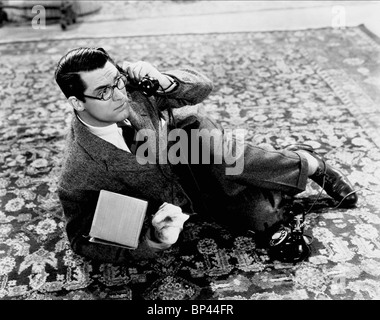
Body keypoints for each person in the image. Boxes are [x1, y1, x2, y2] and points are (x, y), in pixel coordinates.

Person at [54, 47, 358, 263]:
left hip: (184, 140)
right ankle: (269, 184)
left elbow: (203, 87)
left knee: (224, 157)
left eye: (117, 80)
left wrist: (162, 79)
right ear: (76, 102)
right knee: (262, 216)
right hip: (180, 194)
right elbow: (81, 240)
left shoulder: (131, 88)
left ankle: (310, 163)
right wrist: (151, 241)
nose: (120, 94)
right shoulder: (78, 172)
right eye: (104, 91)